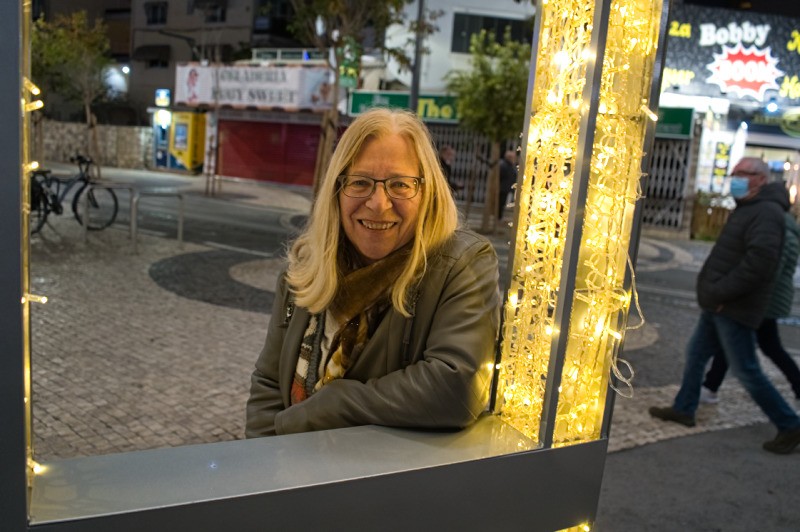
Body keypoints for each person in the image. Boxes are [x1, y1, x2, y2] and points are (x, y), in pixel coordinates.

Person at [245, 108, 501, 437]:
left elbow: (456, 387)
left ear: (427, 191)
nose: (379, 204)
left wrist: (332, 404)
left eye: (400, 185)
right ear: (337, 190)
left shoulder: (461, 264)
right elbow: (268, 383)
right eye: (360, 182)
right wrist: (267, 457)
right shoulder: (305, 268)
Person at [649, 157, 800, 454]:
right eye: (734, 174)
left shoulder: (766, 213)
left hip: (733, 306)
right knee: (696, 354)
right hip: (719, 303)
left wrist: (722, 293)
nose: (735, 179)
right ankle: (684, 407)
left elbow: (759, 264)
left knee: (747, 369)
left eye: (742, 174)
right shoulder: (749, 207)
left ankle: (789, 424)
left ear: (760, 179)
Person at [700, 210, 800, 405]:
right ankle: (710, 387)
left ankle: (710, 387)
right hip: (765, 300)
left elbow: (768, 270)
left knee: (748, 345)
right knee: (751, 343)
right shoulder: (784, 228)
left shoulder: (780, 230)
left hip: (764, 301)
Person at [498, 149, 517, 221]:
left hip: (507, 187)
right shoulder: (504, 165)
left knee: (503, 203)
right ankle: (499, 217)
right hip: (503, 187)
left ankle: (500, 217)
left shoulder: (509, 165)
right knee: (501, 203)